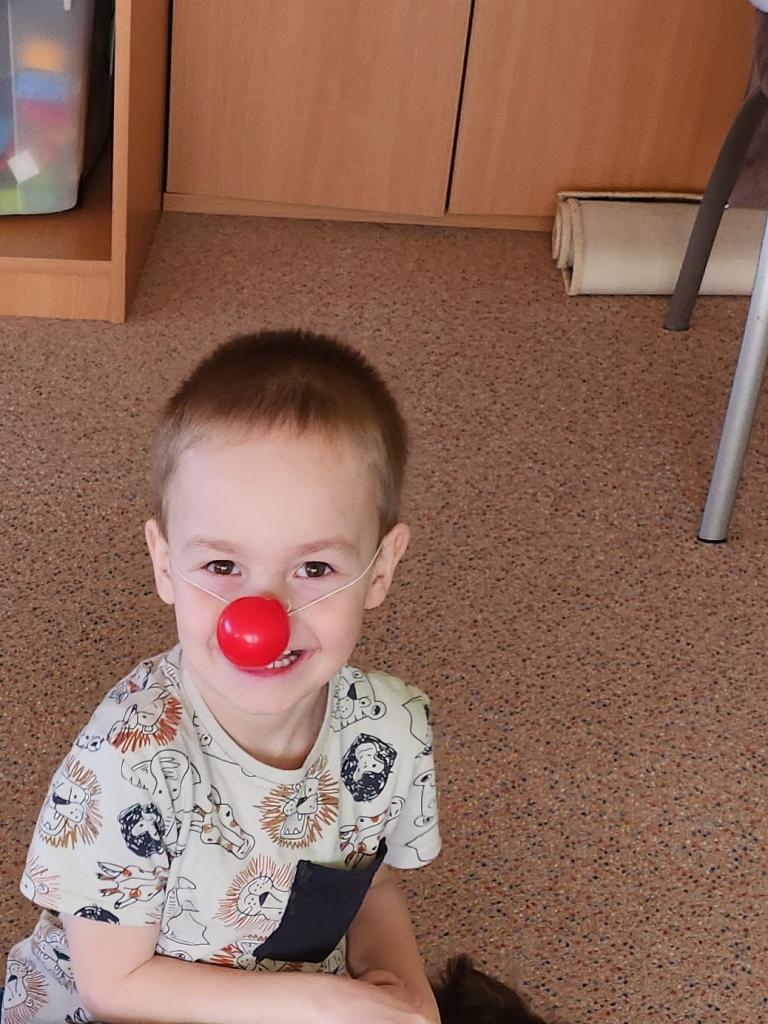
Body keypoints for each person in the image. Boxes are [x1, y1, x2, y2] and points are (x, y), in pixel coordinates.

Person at [2, 330, 441, 1024]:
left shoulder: (392, 731)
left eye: (314, 568)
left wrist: (406, 998)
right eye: (222, 566)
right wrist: (320, 1003)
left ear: (380, 568)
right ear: (164, 563)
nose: (261, 618)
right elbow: (114, 987)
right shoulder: (125, 761)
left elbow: (373, 888)